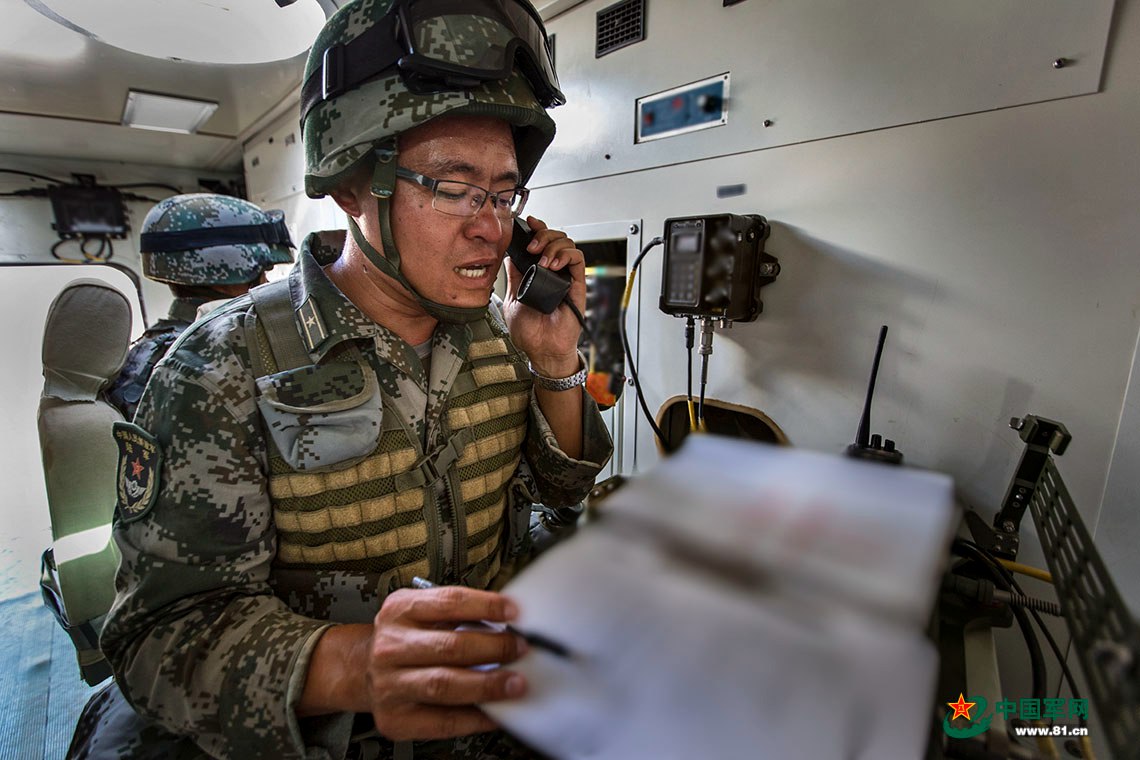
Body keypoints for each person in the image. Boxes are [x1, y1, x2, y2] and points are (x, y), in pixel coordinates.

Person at [68, 1, 612, 758]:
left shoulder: (503, 332)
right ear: (352, 187)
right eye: (452, 188)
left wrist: (554, 364)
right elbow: (158, 639)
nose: (490, 228)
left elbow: (561, 493)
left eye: (502, 194)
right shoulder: (219, 365)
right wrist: (354, 665)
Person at [103, 193, 295, 420]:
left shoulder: (150, 348)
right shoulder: (210, 353)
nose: (266, 282)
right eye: (262, 273)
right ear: (224, 274)